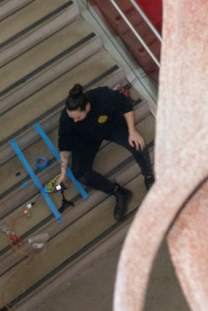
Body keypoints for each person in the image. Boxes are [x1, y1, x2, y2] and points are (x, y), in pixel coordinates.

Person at [57, 82, 154, 223]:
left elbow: (125, 105)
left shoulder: (102, 97)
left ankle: (149, 177)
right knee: (80, 173)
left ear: (87, 107)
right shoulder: (67, 119)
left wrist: (132, 132)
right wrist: (63, 173)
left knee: (138, 145)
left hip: (111, 126)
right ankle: (119, 192)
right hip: (86, 139)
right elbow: (64, 145)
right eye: (72, 117)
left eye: (77, 117)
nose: (74, 120)